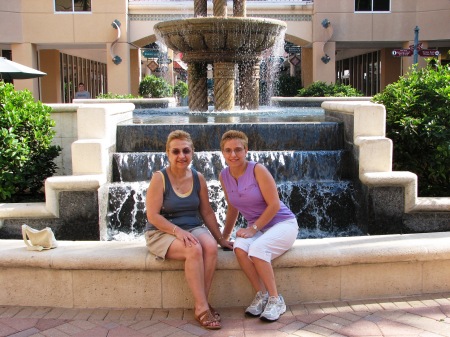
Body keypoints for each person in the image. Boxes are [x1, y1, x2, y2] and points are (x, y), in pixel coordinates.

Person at [145, 130, 233, 330]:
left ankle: (201, 301)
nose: (181, 156)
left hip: (192, 226)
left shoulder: (198, 177)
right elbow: (153, 216)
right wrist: (177, 232)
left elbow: (207, 212)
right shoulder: (159, 178)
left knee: (209, 246)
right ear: (167, 153)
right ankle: (203, 308)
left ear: (193, 152)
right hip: (161, 231)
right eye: (175, 152)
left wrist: (220, 239)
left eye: (186, 151)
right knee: (193, 249)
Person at [219, 130, 299, 321]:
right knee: (239, 248)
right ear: (222, 153)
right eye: (228, 150)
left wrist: (253, 229)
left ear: (246, 150)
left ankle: (276, 299)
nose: (233, 155)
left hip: (283, 224)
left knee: (257, 249)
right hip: (259, 228)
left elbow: (274, 204)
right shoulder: (224, 175)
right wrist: (223, 237)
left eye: (238, 149)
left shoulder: (257, 170)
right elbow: (232, 208)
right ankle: (261, 295)